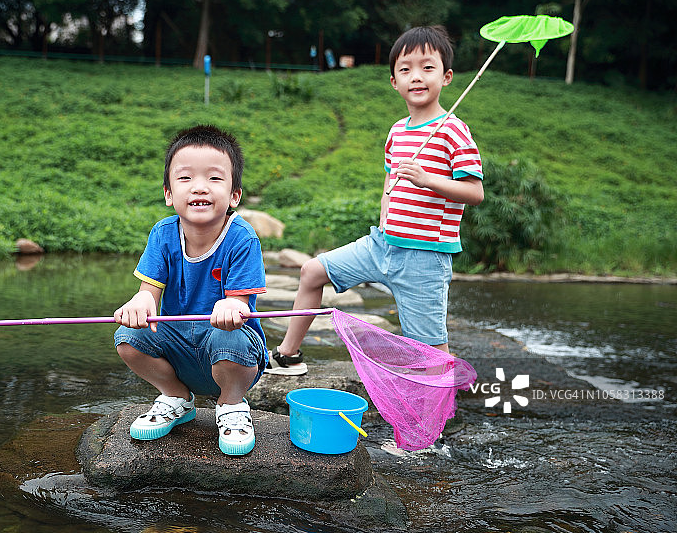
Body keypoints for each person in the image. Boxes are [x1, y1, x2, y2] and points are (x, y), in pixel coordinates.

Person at [265, 25, 484, 376]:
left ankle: (436, 419)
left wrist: (428, 180)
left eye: (428, 67)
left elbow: (475, 192)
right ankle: (288, 355)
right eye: (405, 68)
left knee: (431, 347)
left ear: (447, 77)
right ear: (394, 81)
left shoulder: (453, 130)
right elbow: (390, 177)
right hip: (381, 244)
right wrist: (385, 212)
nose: (417, 76)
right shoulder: (398, 130)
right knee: (311, 271)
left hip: (424, 258)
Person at [114, 125, 267, 456]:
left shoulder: (242, 237)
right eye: (185, 179)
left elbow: (238, 302)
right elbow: (148, 293)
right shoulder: (163, 234)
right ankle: (176, 397)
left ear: (234, 195)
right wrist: (139, 303)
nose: (200, 187)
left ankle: (231, 405)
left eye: (214, 179)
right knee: (128, 337)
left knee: (229, 336)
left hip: (231, 350)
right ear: (169, 193)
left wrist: (232, 306)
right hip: (179, 350)